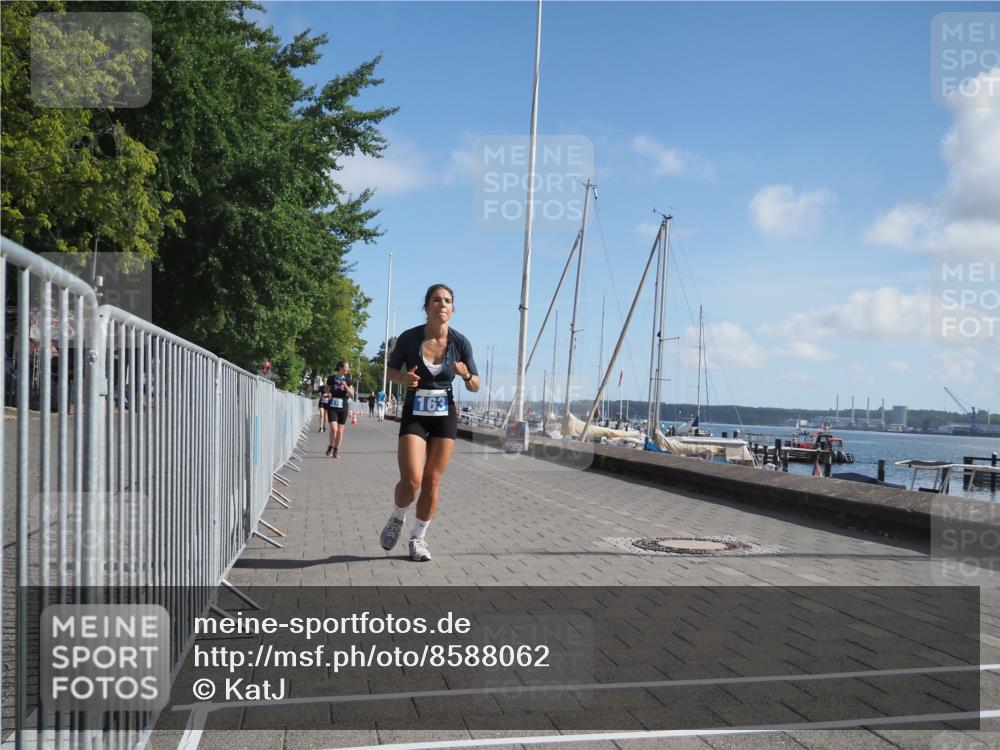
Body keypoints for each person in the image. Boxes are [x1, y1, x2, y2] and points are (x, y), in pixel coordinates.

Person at [378, 284, 478, 562]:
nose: (442, 304)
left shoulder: (461, 343)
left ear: (453, 309)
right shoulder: (409, 338)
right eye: (436, 300)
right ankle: (398, 517)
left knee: (432, 482)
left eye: (447, 301)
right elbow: (391, 370)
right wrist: (403, 379)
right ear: (426, 306)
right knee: (411, 480)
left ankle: (418, 538)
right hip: (415, 412)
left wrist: (466, 375)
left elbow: (475, 386)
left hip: (445, 414)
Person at [325, 361, 354, 458]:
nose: (348, 369)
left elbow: (351, 394)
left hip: (343, 406)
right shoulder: (331, 378)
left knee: (340, 431)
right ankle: (331, 446)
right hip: (332, 406)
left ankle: (336, 450)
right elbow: (326, 388)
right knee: (334, 429)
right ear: (341, 368)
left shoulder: (348, 379)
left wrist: (345, 386)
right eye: (347, 367)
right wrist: (328, 393)